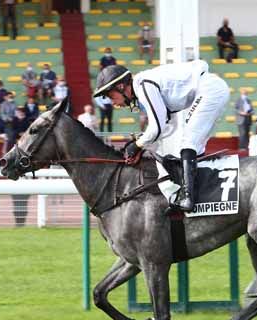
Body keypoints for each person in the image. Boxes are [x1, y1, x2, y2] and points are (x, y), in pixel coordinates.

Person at [93, 61, 230, 211]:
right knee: (192, 145)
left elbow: (157, 128)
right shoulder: (144, 86)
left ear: (120, 86)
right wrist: (141, 143)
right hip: (211, 89)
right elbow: (167, 127)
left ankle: (188, 197)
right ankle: (198, 192)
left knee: (189, 142)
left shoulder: (143, 85)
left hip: (209, 90)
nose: (113, 103)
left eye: (111, 96)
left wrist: (137, 145)